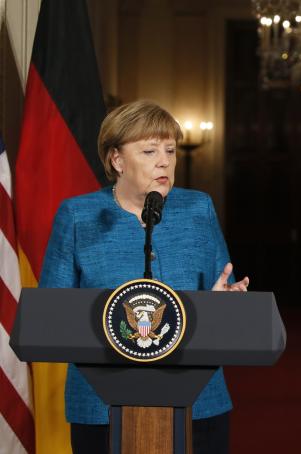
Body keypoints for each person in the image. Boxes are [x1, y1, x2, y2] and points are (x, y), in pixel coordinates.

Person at [39, 100, 249, 454]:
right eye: (149, 151)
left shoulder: (199, 208)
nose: (164, 160)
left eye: (170, 149)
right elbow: (51, 311)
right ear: (117, 160)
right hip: (101, 406)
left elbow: (221, 287)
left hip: (199, 402)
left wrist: (225, 303)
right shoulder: (78, 215)